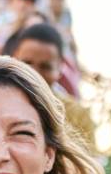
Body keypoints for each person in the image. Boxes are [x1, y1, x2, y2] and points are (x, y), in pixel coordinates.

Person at [9, 23, 95, 151]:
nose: (34, 74)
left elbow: (90, 167)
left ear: (60, 68)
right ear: (13, 59)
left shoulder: (77, 116)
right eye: (27, 63)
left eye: (45, 67)